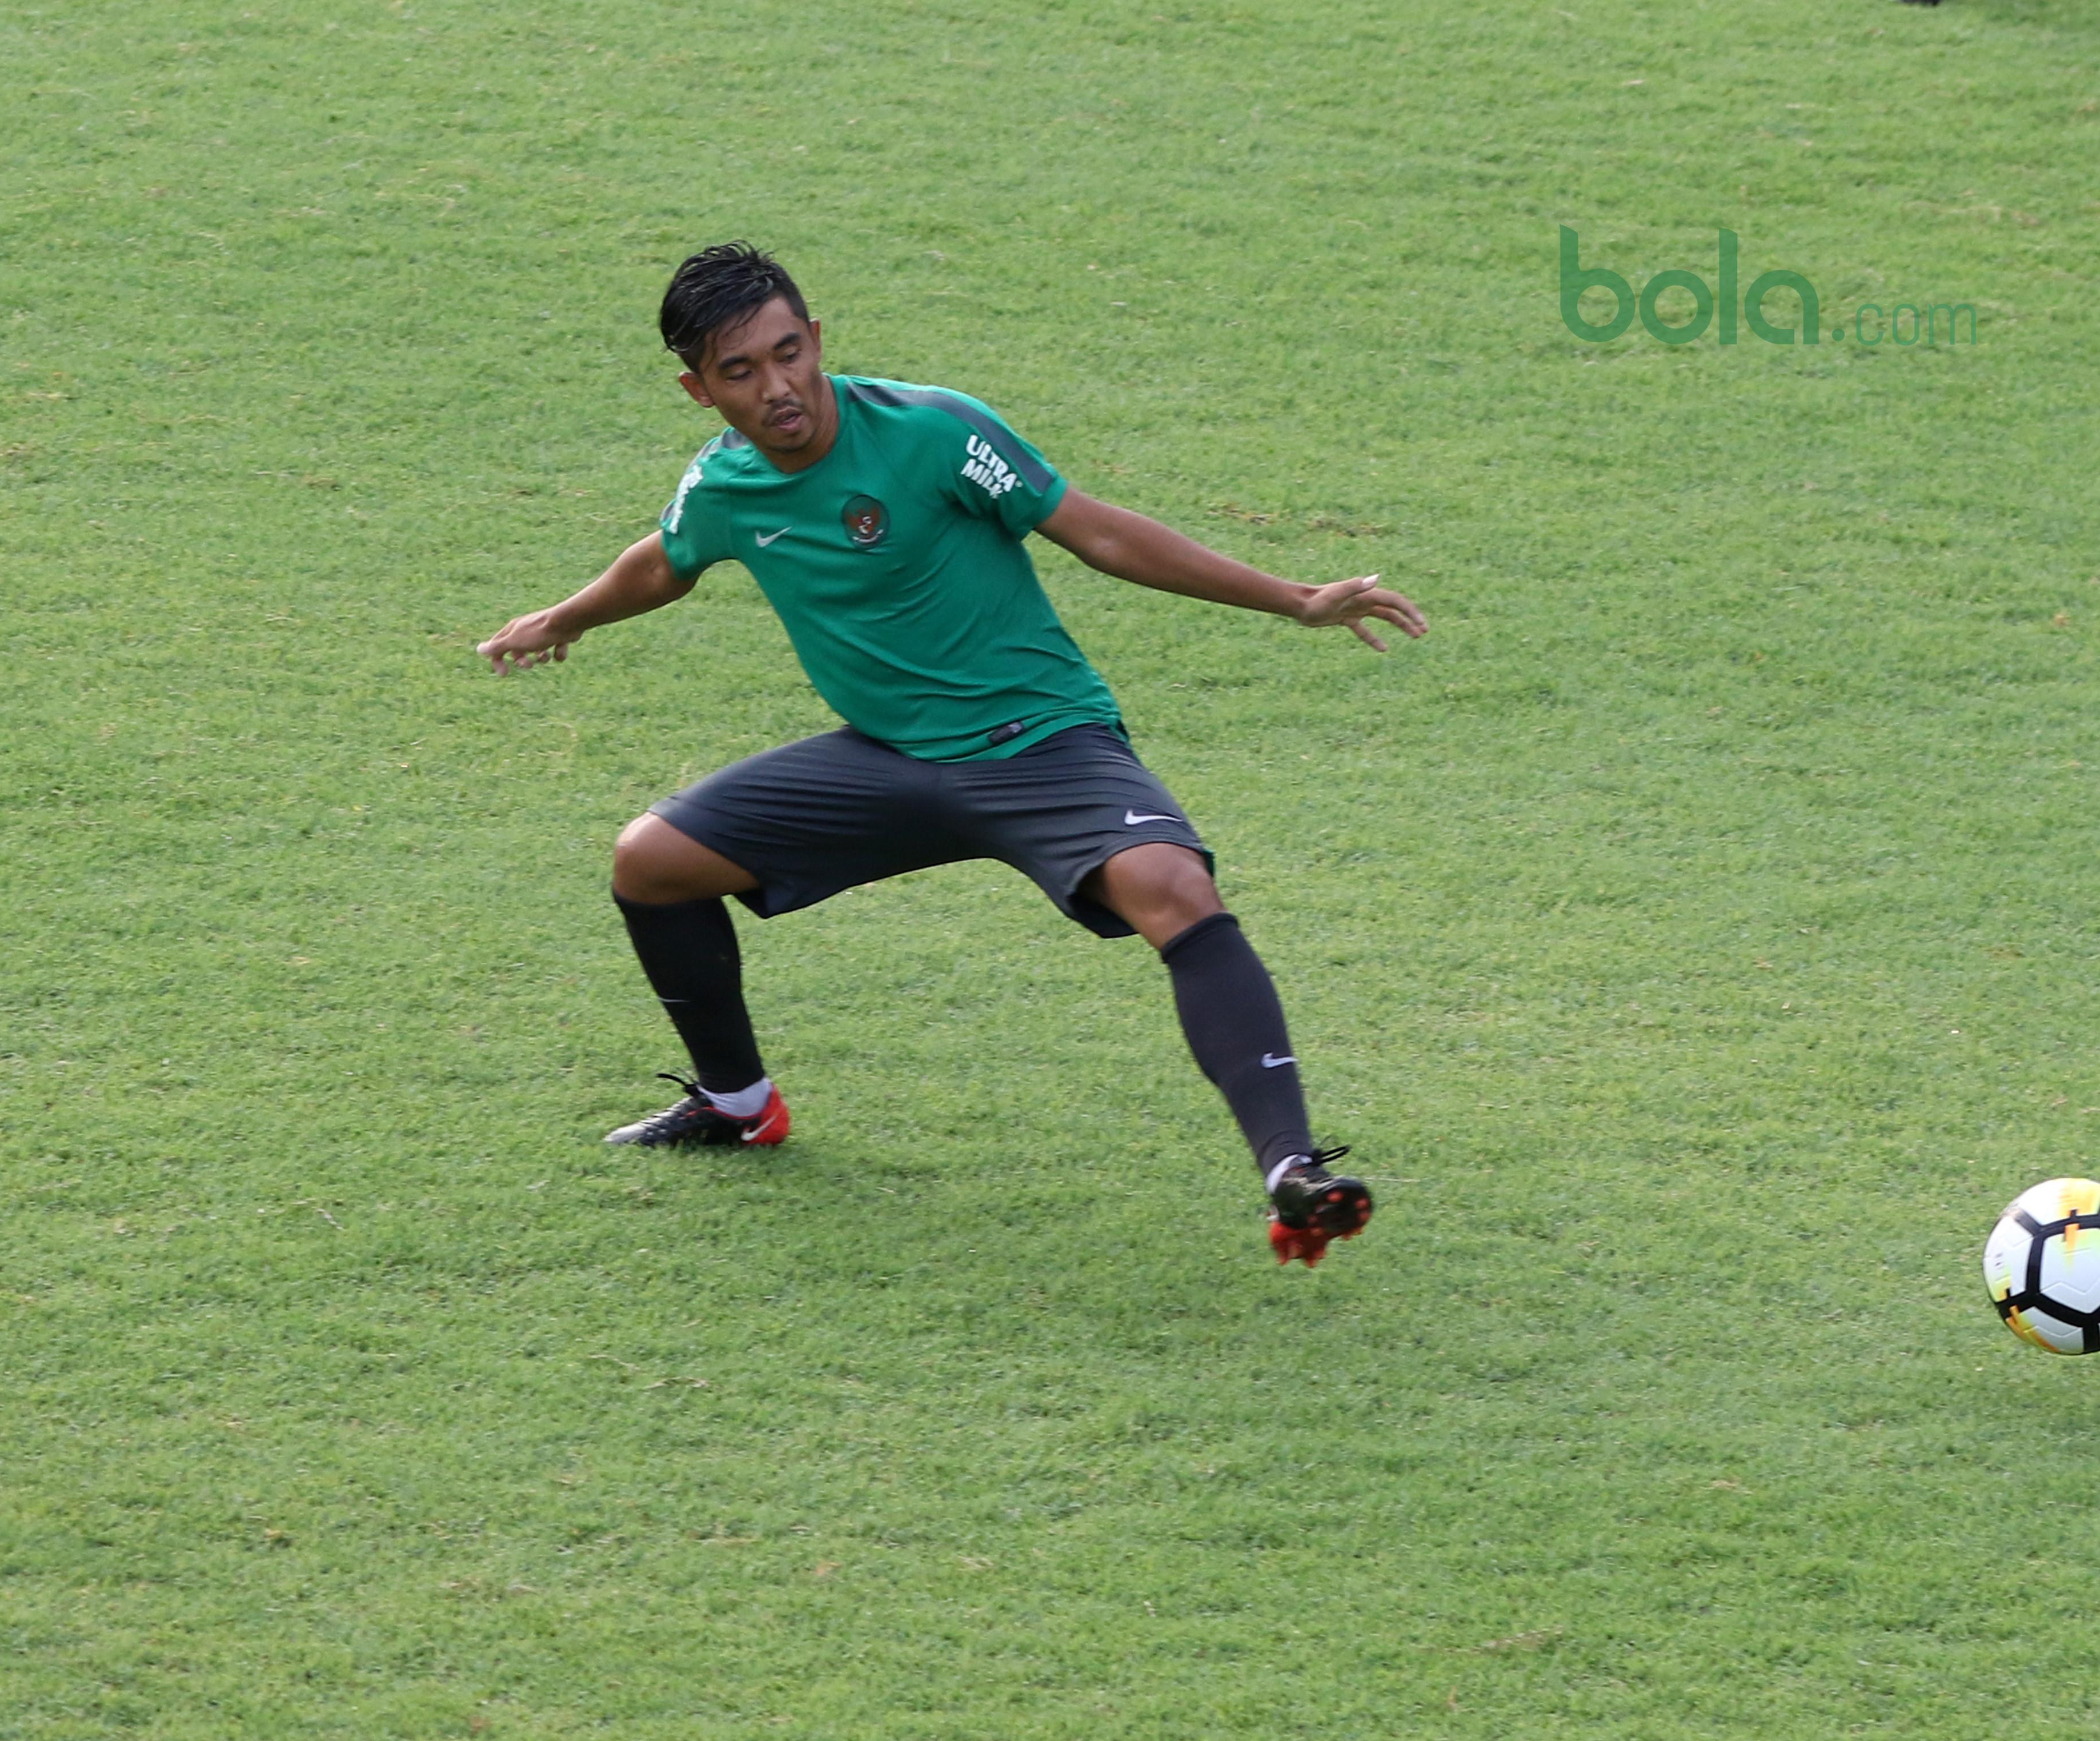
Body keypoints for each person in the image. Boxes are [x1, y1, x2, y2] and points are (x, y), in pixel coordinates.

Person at [477, 243, 1426, 1266]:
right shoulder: (725, 486)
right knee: (650, 862)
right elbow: (664, 563)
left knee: (1174, 887)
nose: (777, 387)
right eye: (739, 371)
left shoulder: (934, 431)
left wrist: (1295, 599)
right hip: (887, 762)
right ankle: (738, 1104)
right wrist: (564, 618)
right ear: (698, 390)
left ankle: (1292, 1170)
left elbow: (1098, 533)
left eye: (788, 352)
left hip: (1042, 743)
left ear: (817, 339)